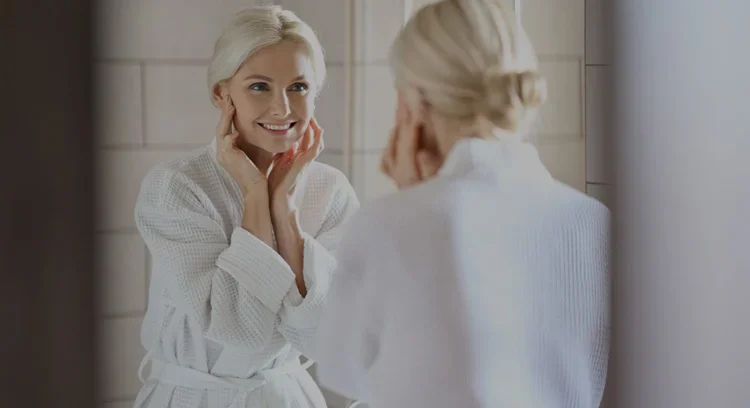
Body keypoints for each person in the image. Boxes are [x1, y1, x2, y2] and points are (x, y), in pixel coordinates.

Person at [313, 1, 610, 407]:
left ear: (414, 105)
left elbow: (343, 370)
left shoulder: (388, 225)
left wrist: (409, 200)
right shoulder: (596, 223)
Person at [132, 6, 359, 408]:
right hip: (191, 398)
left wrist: (285, 212)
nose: (283, 108)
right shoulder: (177, 188)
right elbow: (238, 327)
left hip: (287, 396)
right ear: (223, 95)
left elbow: (329, 339)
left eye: (299, 87)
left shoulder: (331, 190)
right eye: (259, 86)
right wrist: (256, 194)